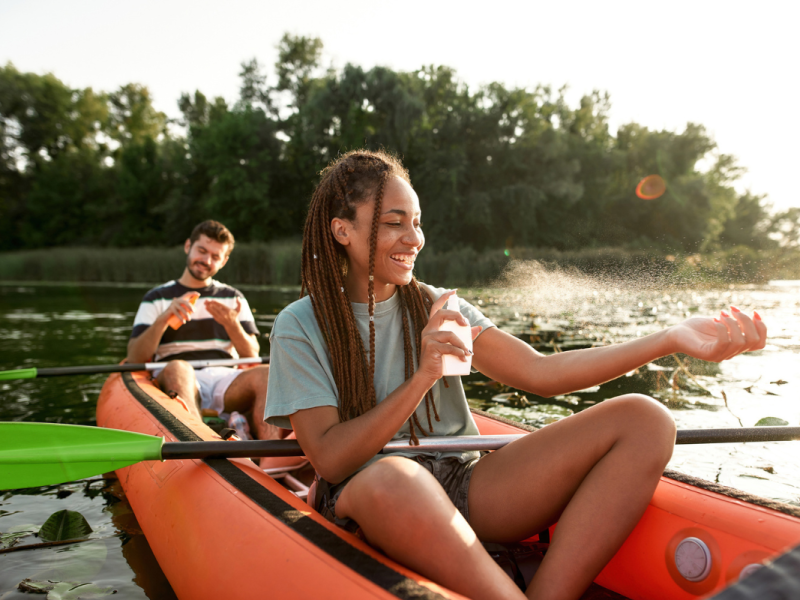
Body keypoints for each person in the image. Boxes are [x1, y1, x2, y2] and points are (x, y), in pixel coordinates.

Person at [264, 151, 767, 600]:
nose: (414, 239)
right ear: (342, 230)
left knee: (646, 419)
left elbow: (542, 371)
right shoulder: (299, 326)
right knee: (398, 475)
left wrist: (669, 338)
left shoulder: (439, 306)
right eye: (395, 223)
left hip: (462, 484)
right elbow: (329, 459)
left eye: (417, 222)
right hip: (369, 494)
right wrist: (422, 377)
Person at [128, 220, 276, 441]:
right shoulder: (157, 297)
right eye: (202, 251)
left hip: (225, 379)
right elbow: (135, 357)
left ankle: (271, 455)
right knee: (180, 367)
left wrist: (232, 325)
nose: (206, 261)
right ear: (188, 246)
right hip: (176, 375)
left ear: (224, 261)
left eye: (215, 257)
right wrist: (164, 318)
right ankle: (201, 444)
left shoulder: (233, 297)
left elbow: (251, 356)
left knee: (267, 372)